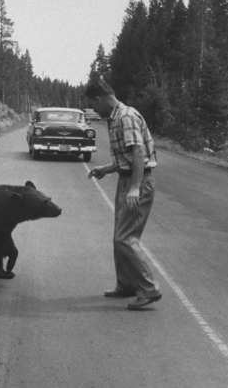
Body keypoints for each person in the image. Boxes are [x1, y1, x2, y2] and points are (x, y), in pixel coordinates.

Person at [85, 77, 161, 310]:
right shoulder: (115, 116)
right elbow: (126, 158)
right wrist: (106, 169)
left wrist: (135, 188)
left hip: (137, 181)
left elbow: (138, 153)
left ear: (100, 98)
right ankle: (127, 284)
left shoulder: (126, 116)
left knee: (125, 238)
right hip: (126, 178)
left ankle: (149, 288)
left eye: (93, 105)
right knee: (120, 236)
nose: (94, 110)